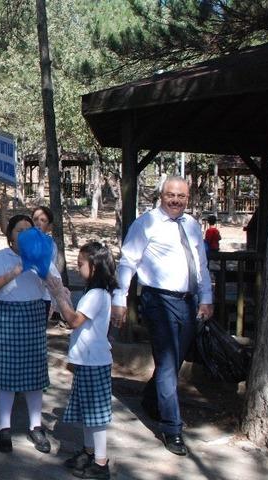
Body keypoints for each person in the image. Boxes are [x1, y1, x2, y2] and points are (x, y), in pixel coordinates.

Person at [110, 176, 213, 456]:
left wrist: (206, 297)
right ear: (161, 195)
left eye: (181, 196)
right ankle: (172, 428)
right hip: (157, 300)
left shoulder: (192, 225)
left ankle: (150, 399)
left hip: (188, 302)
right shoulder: (146, 223)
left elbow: (201, 264)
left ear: (188, 198)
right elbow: (128, 262)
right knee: (167, 364)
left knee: (175, 361)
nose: (176, 200)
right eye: (171, 195)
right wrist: (119, 299)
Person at [0, 214, 61, 455]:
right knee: (6, 375)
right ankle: (4, 428)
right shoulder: (1, 258)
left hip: (34, 315)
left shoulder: (42, 255)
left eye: (30, 229)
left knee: (34, 376)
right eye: (19, 230)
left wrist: (41, 270)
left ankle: (35, 426)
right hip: (8, 315)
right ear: (10, 238)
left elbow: (55, 284)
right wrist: (16, 270)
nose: (25, 233)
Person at [47, 242, 117, 480]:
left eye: (80, 264)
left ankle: (101, 462)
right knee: (88, 414)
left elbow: (74, 320)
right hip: (87, 361)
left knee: (96, 416)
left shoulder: (97, 294)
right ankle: (89, 452)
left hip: (94, 361)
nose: (77, 268)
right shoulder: (95, 293)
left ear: (95, 267)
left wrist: (59, 295)